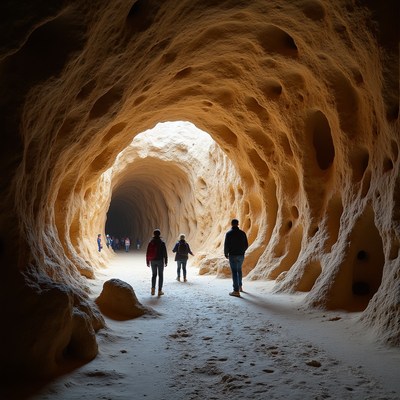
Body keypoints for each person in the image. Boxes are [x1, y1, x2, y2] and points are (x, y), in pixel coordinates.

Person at [224, 218, 248, 297]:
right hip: (241, 255)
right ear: (238, 224)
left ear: (231, 224)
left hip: (232, 255)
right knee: (239, 270)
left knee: (234, 272)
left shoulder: (229, 233)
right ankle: (240, 287)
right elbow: (246, 245)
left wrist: (226, 253)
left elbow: (226, 245)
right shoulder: (242, 233)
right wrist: (242, 251)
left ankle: (236, 290)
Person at [146, 229, 168, 296]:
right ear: (159, 234)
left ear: (154, 234)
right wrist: (166, 261)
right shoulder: (162, 242)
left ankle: (152, 290)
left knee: (154, 275)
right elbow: (165, 253)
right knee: (160, 275)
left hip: (153, 260)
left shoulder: (151, 242)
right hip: (160, 260)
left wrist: (147, 261)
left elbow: (148, 252)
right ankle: (159, 291)